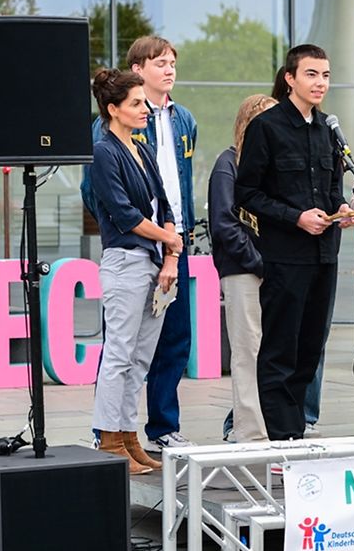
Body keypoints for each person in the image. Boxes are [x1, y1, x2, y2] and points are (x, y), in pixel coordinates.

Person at [82, 35, 198, 451]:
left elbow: (169, 196)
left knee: (157, 347)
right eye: (160, 62)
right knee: (120, 350)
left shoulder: (171, 127)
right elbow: (110, 204)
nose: (169, 69)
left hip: (165, 250)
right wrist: (160, 235)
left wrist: (171, 245)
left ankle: (141, 435)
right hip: (132, 253)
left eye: (173, 62)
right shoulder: (103, 144)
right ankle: (108, 437)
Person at [235, 45, 354, 441]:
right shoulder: (266, 127)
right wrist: (295, 217)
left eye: (325, 75)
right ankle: (281, 439)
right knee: (280, 352)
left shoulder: (328, 130)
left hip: (325, 256)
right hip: (285, 258)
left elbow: (334, 186)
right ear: (290, 78)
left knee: (310, 351)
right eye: (311, 74)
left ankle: (297, 430)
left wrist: (341, 207)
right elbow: (247, 193)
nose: (320, 82)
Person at [208, 94, 276, 443]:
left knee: (273, 353)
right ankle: (249, 433)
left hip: (276, 271)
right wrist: (259, 262)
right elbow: (224, 224)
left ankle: (275, 426)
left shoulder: (272, 168)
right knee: (247, 351)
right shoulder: (229, 163)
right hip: (244, 271)